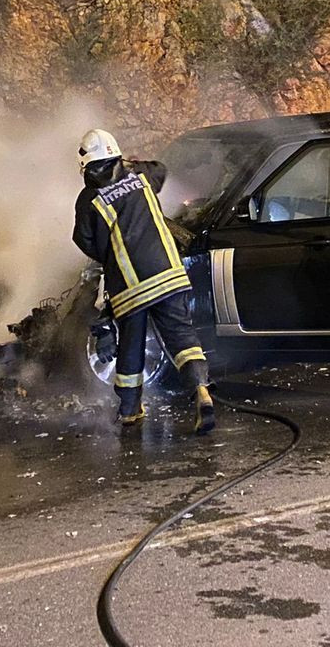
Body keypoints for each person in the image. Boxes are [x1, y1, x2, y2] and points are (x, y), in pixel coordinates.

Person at [72, 129, 215, 435]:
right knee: (181, 337)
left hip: (130, 285)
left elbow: (84, 241)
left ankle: (129, 411)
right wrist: (133, 164)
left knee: (131, 347)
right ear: (116, 153)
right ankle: (201, 392)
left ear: (84, 166)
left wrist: (109, 253)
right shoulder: (141, 174)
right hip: (168, 273)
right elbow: (161, 170)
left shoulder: (89, 200)